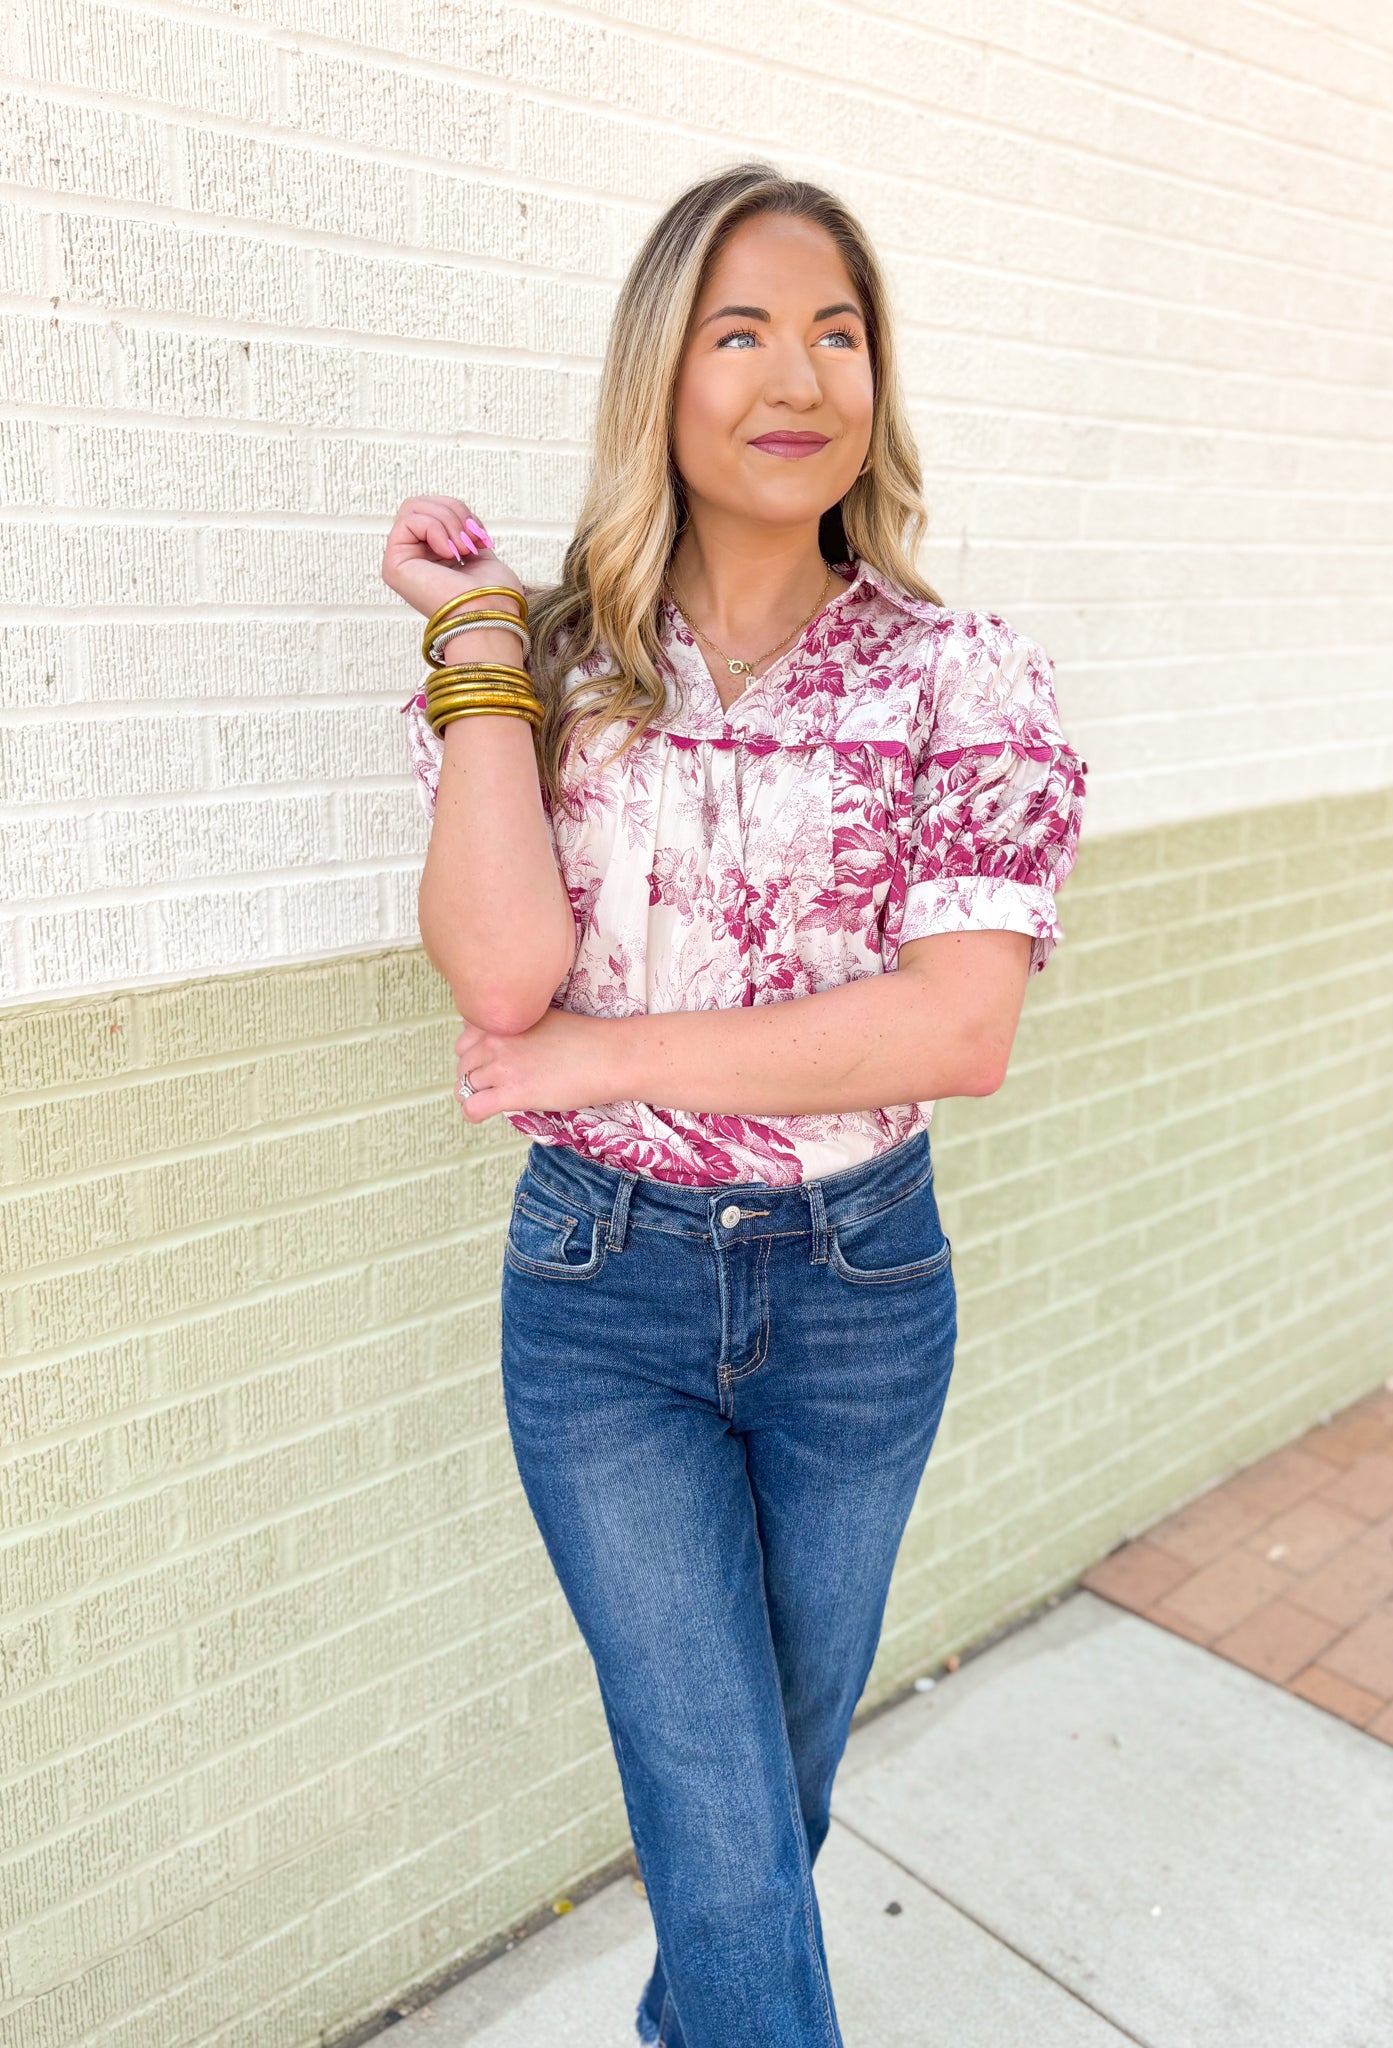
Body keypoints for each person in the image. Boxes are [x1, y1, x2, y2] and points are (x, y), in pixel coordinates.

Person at [382, 161, 1086, 2048]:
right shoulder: (547, 664)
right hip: (600, 1297)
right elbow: (503, 979)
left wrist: (603, 1063)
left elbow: (954, 1028)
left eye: (838, 334)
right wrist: (468, 646)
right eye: (743, 330)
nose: (799, 375)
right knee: (714, 1791)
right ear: (663, 378)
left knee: (762, 1796)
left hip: (861, 1296)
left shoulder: (963, 676)